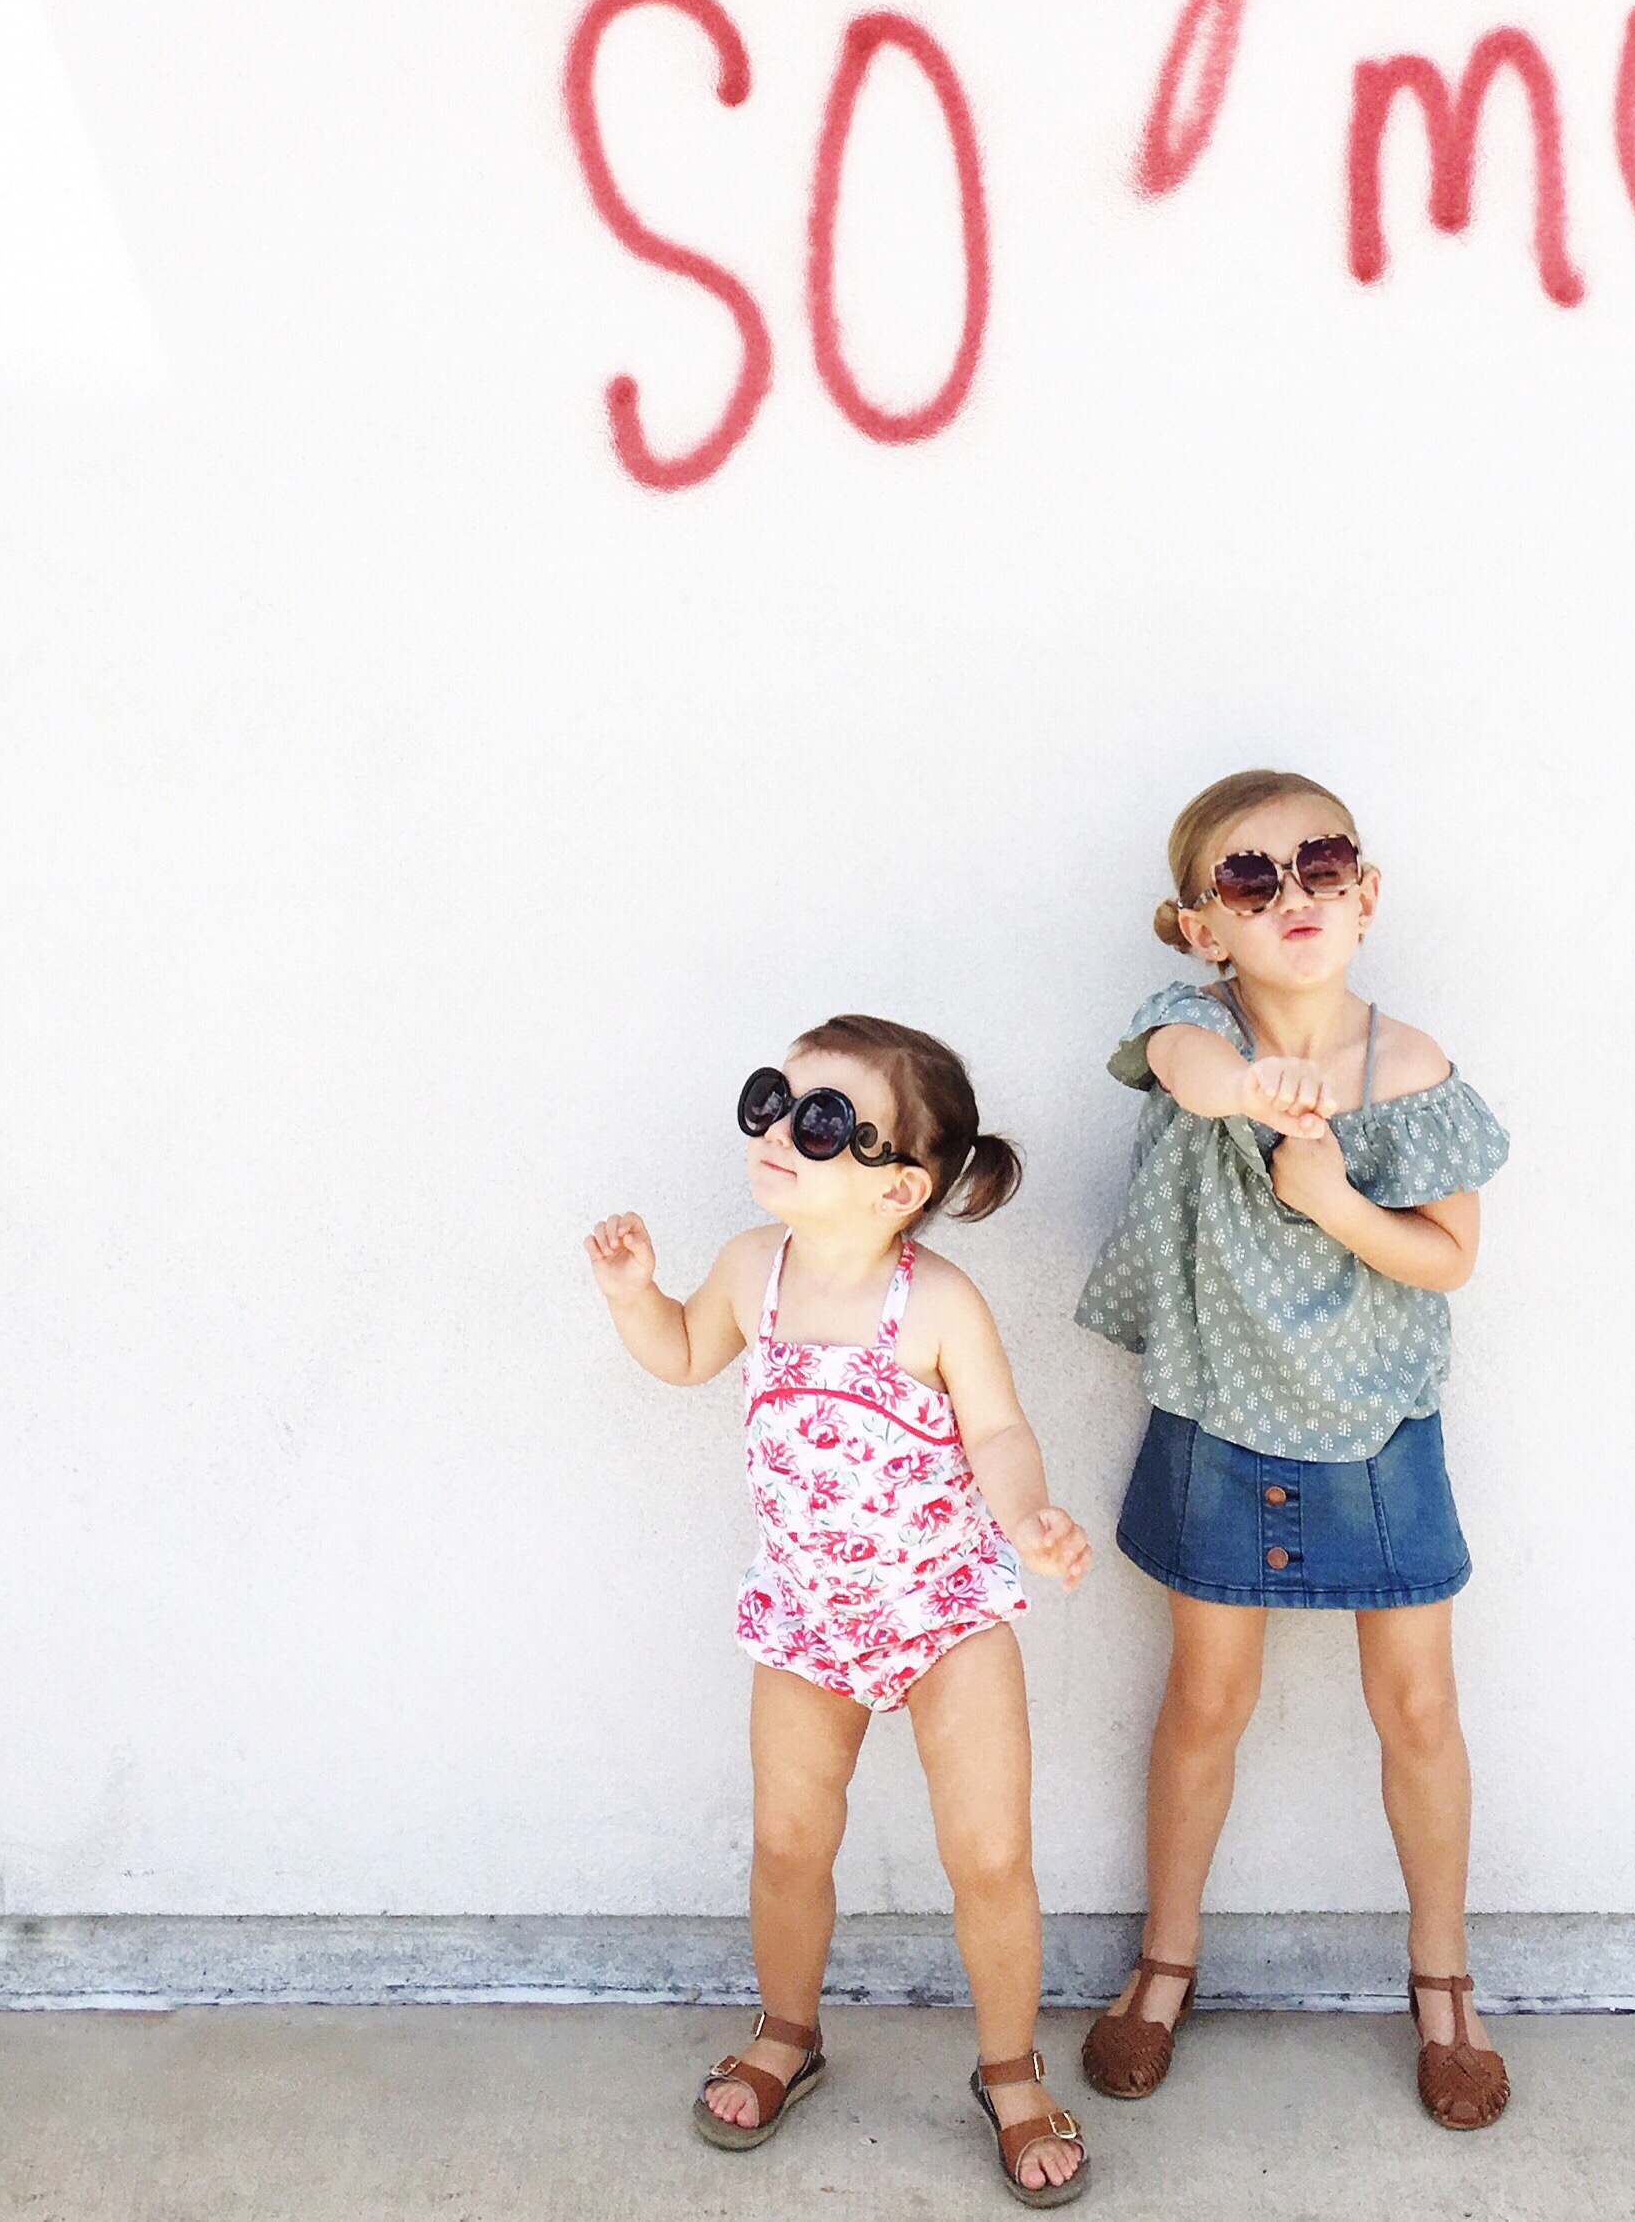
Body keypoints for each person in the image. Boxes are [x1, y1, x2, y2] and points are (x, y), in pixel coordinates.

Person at [587, 1014, 1094, 2204]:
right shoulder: (747, 1270)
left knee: (990, 1855)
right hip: (806, 1616)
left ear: (898, 1186)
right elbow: (684, 1350)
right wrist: (633, 1296)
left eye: (819, 1121)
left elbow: (998, 1431)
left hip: (943, 1613)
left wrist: (1028, 1514)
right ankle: (785, 2030)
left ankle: (1011, 2069)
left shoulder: (937, 1303)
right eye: (770, 1099)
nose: (777, 1129)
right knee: (787, 1840)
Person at [1076, 771, 1515, 2132]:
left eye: (1319, 865)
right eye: (1247, 878)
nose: (1290, 895)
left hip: (1376, 1426)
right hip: (1217, 1412)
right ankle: (1164, 1959)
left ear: (1364, 893)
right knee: (1204, 1699)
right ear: (1201, 926)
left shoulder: (1413, 1068)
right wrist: (1255, 1090)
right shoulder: (1191, 1026)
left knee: (1417, 1706)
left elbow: (1446, 1257)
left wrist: (1328, 1195)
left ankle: (1441, 1981)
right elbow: (1187, 1071)